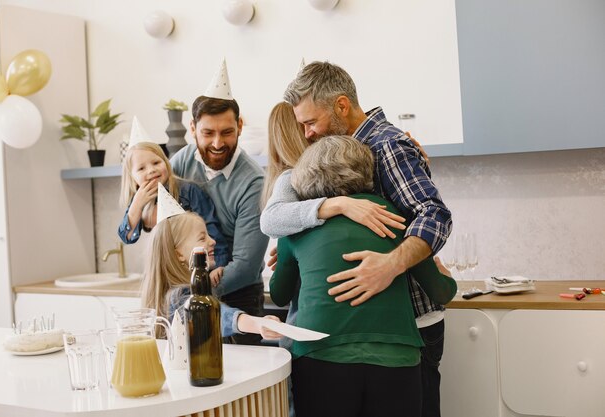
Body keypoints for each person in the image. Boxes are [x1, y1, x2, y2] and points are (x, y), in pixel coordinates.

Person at [261, 61, 453, 417]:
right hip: (385, 331)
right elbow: (273, 220)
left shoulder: (386, 147)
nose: (306, 134)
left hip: (410, 322)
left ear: (341, 106)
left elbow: (435, 215)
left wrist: (389, 264)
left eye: (310, 122)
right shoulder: (348, 151)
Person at [170, 60, 269, 345]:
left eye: (227, 132)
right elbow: (164, 227)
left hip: (239, 295)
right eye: (207, 133)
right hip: (187, 292)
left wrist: (195, 291)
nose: (217, 143)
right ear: (192, 128)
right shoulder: (179, 164)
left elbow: (246, 265)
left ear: (239, 126)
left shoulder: (253, 182)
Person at [142, 209, 281, 340]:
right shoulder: (178, 297)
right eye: (202, 238)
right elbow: (211, 314)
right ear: (178, 254)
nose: (213, 241)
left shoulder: (178, 291)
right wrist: (256, 324)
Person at [118, 141, 230, 277]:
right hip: (163, 274)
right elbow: (127, 237)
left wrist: (218, 267)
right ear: (132, 178)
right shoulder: (138, 202)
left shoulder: (188, 191)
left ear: (166, 162)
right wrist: (136, 204)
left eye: (156, 163)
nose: (151, 170)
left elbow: (212, 232)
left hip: (192, 272)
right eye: (141, 168)